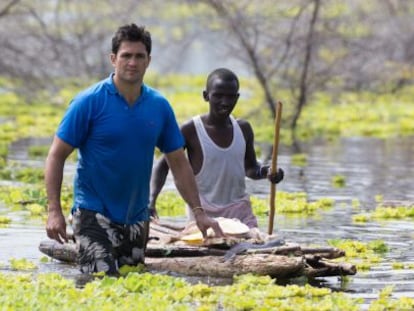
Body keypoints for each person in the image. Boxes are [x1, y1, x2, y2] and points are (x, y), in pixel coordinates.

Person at [45, 23, 223, 276]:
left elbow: (178, 162)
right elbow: (56, 155)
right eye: (126, 55)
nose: (132, 62)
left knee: (131, 289)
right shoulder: (89, 102)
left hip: (137, 218)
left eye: (139, 56)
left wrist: (198, 212)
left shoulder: (158, 106)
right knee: (100, 283)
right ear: (113, 59)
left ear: (148, 61)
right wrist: (54, 211)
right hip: (93, 213)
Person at [149, 68, 284, 235]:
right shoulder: (191, 130)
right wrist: (152, 200)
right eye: (218, 95)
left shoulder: (243, 129)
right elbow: (164, 165)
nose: (225, 102)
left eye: (230, 96)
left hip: (240, 212)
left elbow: (250, 168)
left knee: (254, 244)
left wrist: (267, 171)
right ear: (206, 96)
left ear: (237, 97)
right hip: (204, 216)